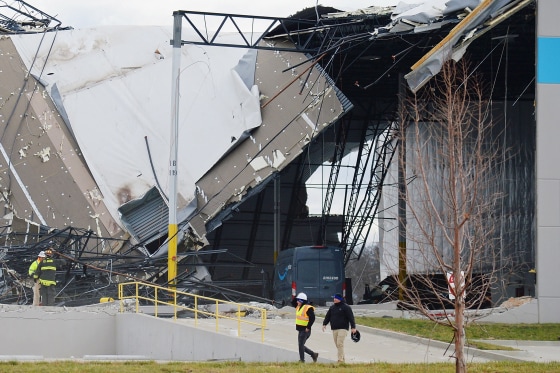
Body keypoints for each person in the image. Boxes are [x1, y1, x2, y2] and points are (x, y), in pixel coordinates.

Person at [322, 293, 356, 363]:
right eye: (334, 298)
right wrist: (324, 324)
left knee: (339, 343)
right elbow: (328, 316)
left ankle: (340, 360)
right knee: (337, 344)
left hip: (343, 328)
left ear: (340, 299)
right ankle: (343, 359)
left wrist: (353, 327)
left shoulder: (346, 307)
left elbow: (351, 318)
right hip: (334, 328)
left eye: (336, 298)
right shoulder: (332, 308)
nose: (334, 299)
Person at [293, 292, 319, 363]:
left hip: (305, 330)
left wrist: (308, 327)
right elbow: (293, 302)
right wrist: (296, 297)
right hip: (300, 329)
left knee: (301, 345)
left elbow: (312, 318)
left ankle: (302, 360)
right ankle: (313, 354)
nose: (297, 301)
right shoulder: (299, 306)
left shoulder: (308, 308)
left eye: (298, 300)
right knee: (301, 345)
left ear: (302, 301)